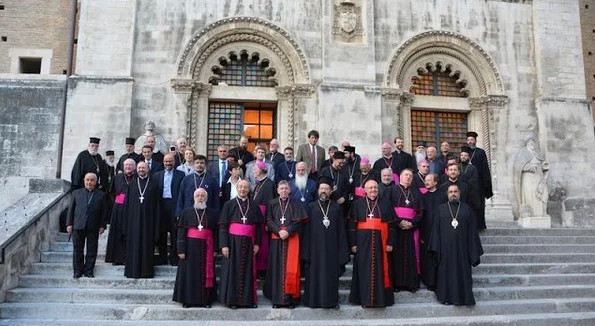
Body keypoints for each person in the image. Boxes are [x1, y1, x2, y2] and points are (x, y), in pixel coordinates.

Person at [429, 184, 483, 306]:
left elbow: (473, 232)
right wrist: (435, 249)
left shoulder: (467, 209)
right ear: (447, 194)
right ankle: (446, 298)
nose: (453, 194)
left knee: (462, 274)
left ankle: (464, 298)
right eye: (450, 192)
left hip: (462, 251)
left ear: (459, 193)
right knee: (445, 274)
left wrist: (473, 251)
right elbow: (435, 231)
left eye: (455, 191)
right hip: (445, 251)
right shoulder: (440, 209)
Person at [301, 177, 350, 309]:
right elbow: (306, 231)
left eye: (326, 189)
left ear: (330, 191)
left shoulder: (336, 208)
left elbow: (341, 231)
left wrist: (342, 251)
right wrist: (306, 252)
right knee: (314, 276)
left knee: (331, 277)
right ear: (318, 190)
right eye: (322, 188)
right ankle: (314, 302)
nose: (324, 191)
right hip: (315, 250)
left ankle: (331, 302)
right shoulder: (311, 207)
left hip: (332, 250)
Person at [348, 179, 396, 307]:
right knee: (363, 271)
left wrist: (390, 242)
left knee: (381, 270)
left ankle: (381, 300)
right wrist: (353, 244)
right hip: (363, 243)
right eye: (370, 188)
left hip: (381, 241)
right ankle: (364, 299)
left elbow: (392, 226)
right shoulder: (357, 204)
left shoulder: (385, 203)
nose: (373, 190)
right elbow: (352, 225)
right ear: (365, 190)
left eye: (375, 187)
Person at [219, 180, 264, 309]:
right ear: (237, 188)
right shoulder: (229, 204)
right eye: (241, 187)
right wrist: (224, 245)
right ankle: (232, 300)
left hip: (249, 244)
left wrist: (257, 244)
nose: (243, 189)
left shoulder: (254, 205)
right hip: (232, 243)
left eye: (245, 187)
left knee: (248, 271)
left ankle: (248, 301)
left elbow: (260, 227)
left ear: (249, 189)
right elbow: (223, 226)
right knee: (232, 271)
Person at [263, 181, 308, 308]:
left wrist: (287, 231)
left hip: (291, 238)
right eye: (281, 188)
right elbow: (269, 220)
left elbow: (299, 221)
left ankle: (290, 300)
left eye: (286, 188)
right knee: (276, 268)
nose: (283, 191)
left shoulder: (296, 203)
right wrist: (279, 231)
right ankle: (277, 300)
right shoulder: (272, 203)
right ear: (277, 190)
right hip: (276, 238)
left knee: (291, 269)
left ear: (289, 190)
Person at [173, 188, 218, 308]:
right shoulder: (186, 212)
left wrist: (215, 249)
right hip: (189, 248)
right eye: (198, 195)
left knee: (205, 274)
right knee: (189, 274)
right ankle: (187, 300)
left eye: (203, 195)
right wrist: (181, 250)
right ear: (193, 198)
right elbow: (181, 231)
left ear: (206, 198)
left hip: (207, 248)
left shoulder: (212, 213)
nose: (200, 197)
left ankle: (206, 300)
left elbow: (216, 233)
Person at [66, 173, 107, 278]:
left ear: (96, 182)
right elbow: (71, 210)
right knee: (77, 250)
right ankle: (77, 271)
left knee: (92, 250)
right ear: (84, 180)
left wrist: (102, 225)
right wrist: (69, 224)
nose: (89, 182)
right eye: (87, 180)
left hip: (93, 226)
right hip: (78, 225)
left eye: (92, 180)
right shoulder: (76, 193)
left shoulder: (101, 195)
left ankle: (89, 271)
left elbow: (104, 212)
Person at [124, 162, 161, 278]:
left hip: (149, 222)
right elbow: (127, 205)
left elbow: (158, 206)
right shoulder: (132, 184)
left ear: (148, 169)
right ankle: (132, 271)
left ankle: (146, 272)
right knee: (133, 246)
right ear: (136, 169)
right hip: (133, 222)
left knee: (147, 245)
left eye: (143, 167)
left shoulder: (154, 185)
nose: (141, 169)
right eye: (139, 167)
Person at [392, 168, 423, 292]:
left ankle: (411, 284)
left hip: (411, 229)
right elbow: (388, 209)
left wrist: (412, 223)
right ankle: (397, 284)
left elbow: (421, 212)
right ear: (400, 176)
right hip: (397, 229)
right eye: (406, 175)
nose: (408, 177)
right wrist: (399, 222)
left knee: (412, 256)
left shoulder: (416, 193)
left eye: (410, 176)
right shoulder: (392, 190)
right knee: (397, 257)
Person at [153, 153, 185, 266]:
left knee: (174, 232)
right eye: (166, 161)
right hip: (161, 206)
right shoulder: (157, 175)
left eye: (170, 161)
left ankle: (174, 258)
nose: (168, 163)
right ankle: (162, 257)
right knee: (161, 233)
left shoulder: (181, 175)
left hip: (174, 205)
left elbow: (182, 193)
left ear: (174, 162)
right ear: (163, 162)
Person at [105, 158, 136, 265]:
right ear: (123, 167)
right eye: (126, 165)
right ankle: (117, 258)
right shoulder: (117, 177)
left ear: (134, 167)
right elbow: (111, 192)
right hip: (119, 209)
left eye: (130, 165)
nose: (128, 167)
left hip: (132, 209)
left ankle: (129, 257)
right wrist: (117, 202)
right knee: (117, 233)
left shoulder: (137, 177)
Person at [251, 161, 277, 279]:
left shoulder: (269, 184)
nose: (253, 171)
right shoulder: (258, 184)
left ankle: (263, 270)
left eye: (254, 169)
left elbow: (271, 204)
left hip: (264, 217)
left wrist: (268, 221)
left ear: (261, 170)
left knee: (264, 244)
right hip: (257, 216)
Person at [466, 131, 493, 230]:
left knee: (479, 205)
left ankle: (480, 225)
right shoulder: (464, 153)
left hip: (478, 184)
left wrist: (487, 184)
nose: (470, 142)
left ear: (475, 141)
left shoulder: (480, 152)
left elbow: (485, 168)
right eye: (468, 140)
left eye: (471, 140)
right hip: (467, 184)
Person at [420, 173, 441, 291]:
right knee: (427, 257)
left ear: (435, 182)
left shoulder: (442, 195)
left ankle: (438, 280)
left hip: (439, 231)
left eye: (429, 180)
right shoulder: (423, 197)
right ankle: (429, 281)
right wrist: (422, 234)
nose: (426, 182)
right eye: (425, 180)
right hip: (427, 232)